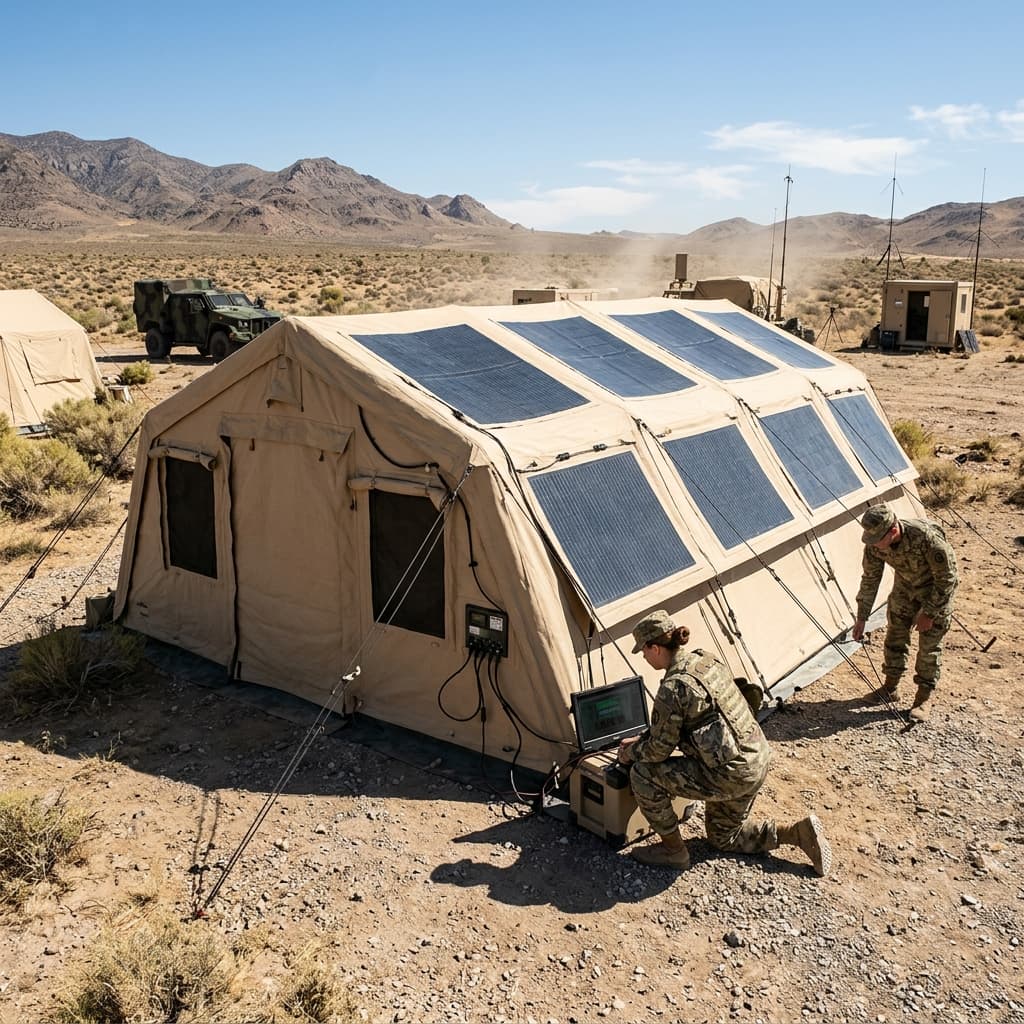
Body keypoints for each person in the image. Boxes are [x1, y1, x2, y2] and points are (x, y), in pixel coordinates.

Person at [617, 610, 831, 876]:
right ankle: (797, 833)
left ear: (655, 647)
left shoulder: (673, 688)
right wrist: (645, 739)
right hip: (756, 759)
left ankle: (674, 851)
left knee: (642, 773)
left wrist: (630, 753)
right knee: (723, 838)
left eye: (644, 651)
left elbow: (658, 751)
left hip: (730, 774)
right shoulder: (705, 660)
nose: (645, 658)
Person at [852, 503, 958, 724]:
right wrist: (862, 617)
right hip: (904, 591)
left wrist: (929, 613)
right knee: (895, 639)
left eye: (879, 541)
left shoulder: (927, 538)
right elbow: (870, 579)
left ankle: (923, 699)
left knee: (929, 648)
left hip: (934, 595)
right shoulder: (874, 543)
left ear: (893, 530)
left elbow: (948, 579)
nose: (876, 547)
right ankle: (891, 687)